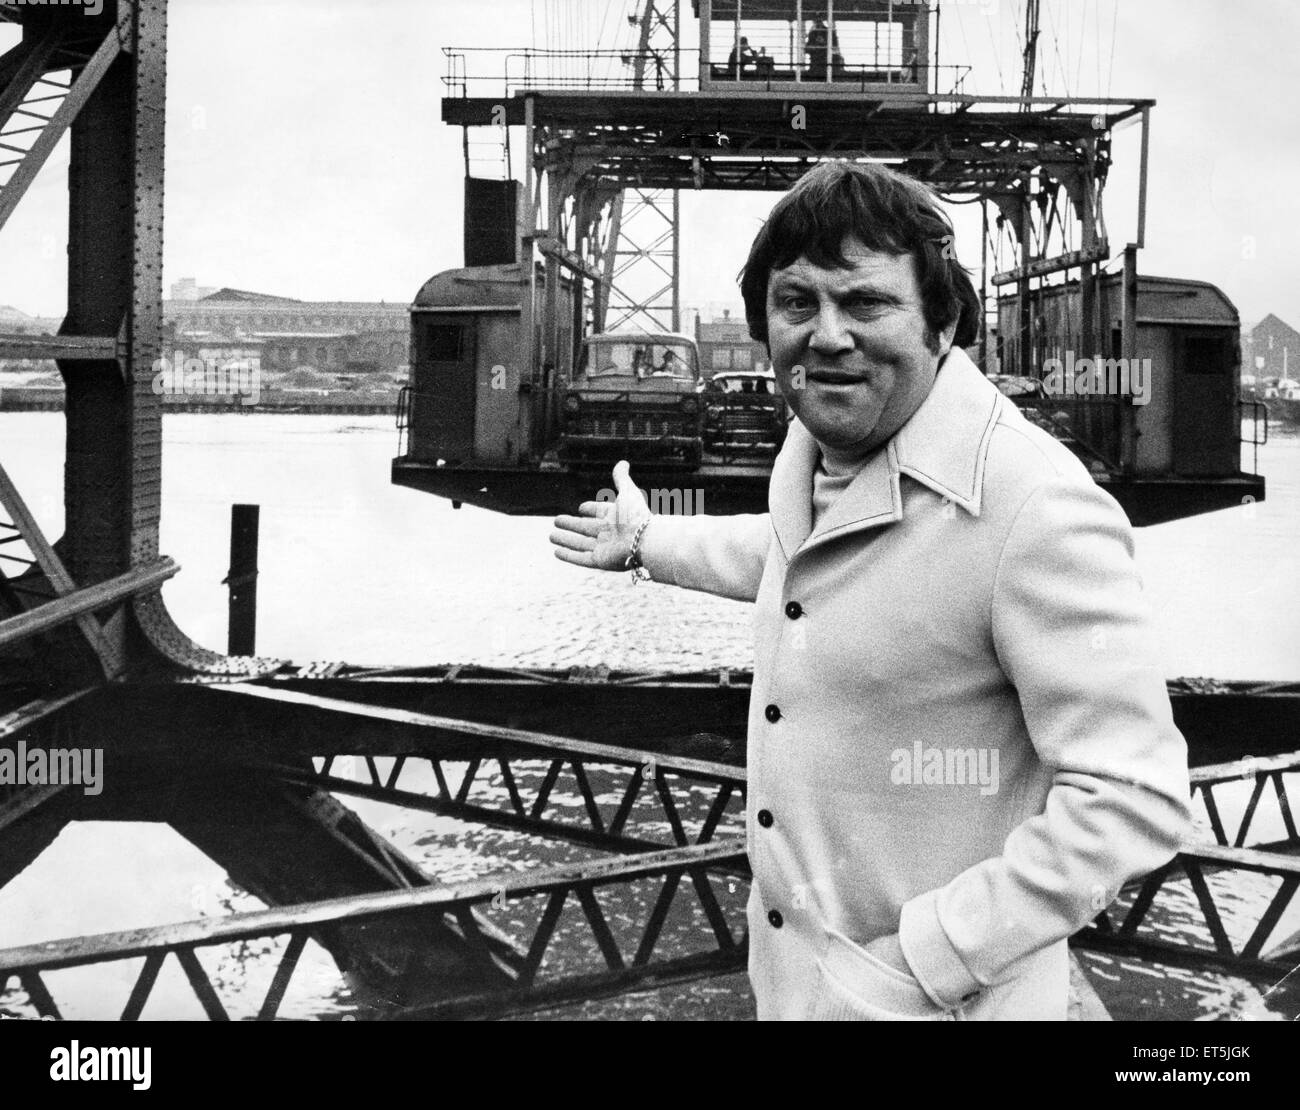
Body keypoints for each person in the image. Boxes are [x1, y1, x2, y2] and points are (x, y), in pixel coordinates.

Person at [549, 160, 1190, 1021]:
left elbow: (1133, 799)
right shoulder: (822, 455)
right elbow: (796, 559)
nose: (827, 336)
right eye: (796, 303)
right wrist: (647, 540)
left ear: (943, 321)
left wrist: (926, 959)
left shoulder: (1032, 504)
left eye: (866, 303)